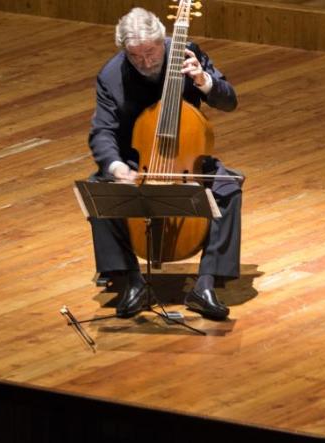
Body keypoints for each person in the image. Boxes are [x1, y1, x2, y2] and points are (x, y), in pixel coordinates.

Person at [88, 7, 242, 320]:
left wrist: (204, 80)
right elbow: (102, 131)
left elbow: (229, 100)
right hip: (137, 157)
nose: (145, 62)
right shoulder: (111, 75)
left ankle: (206, 282)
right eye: (136, 56)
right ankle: (131, 280)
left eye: (151, 52)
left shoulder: (187, 53)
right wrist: (116, 167)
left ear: (163, 41)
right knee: (98, 192)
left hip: (187, 155)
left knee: (229, 187)